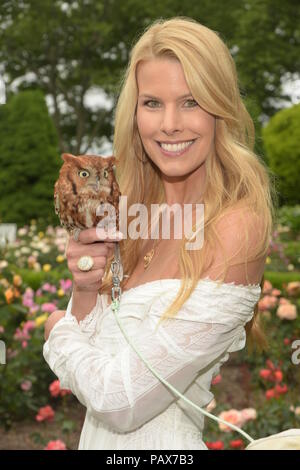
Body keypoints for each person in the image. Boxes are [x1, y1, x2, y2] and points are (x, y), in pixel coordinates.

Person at [43, 16, 277, 450]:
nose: (169, 124)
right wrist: (85, 290)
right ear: (134, 113)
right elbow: (96, 353)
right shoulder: (132, 212)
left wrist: (55, 329)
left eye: (190, 102)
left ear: (220, 109)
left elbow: (121, 400)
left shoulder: (236, 226)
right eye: (152, 103)